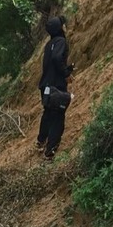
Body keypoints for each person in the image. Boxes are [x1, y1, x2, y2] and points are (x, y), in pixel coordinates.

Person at [36, 15, 74, 160]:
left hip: (45, 86)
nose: (65, 26)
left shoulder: (49, 44)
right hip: (56, 87)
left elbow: (50, 63)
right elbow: (57, 59)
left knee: (48, 113)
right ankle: (50, 151)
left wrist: (67, 69)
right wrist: (66, 73)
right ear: (60, 28)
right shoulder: (61, 41)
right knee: (58, 116)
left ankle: (40, 141)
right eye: (63, 25)